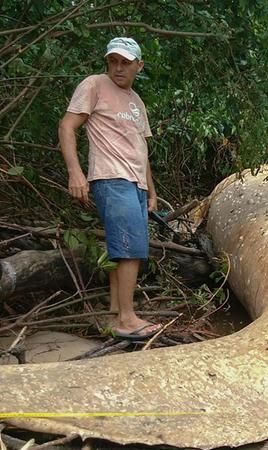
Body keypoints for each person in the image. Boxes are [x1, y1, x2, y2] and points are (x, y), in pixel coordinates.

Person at [58, 37, 162, 340]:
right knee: (130, 250)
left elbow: (140, 149)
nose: (118, 68)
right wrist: (75, 172)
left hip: (135, 184)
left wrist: (151, 192)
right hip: (110, 178)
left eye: (125, 62)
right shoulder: (94, 85)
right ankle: (127, 320)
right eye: (113, 61)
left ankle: (116, 311)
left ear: (138, 66)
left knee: (124, 248)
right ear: (107, 62)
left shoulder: (136, 102)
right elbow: (67, 126)